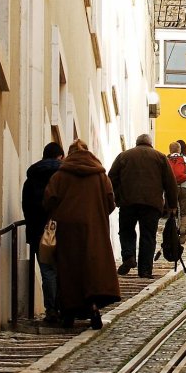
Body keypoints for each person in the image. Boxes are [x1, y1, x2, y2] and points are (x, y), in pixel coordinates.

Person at [43, 139, 119, 330]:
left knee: (69, 270)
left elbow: (49, 200)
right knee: (92, 269)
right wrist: (96, 214)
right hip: (94, 229)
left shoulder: (60, 175)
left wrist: (61, 213)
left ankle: (68, 313)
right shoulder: (100, 175)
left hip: (68, 229)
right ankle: (93, 309)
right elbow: (111, 202)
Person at [108, 133, 178, 278]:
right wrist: (172, 205)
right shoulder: (160, 157)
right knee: (148, 236)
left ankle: (129, 256)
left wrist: (115, 197)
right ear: (150, 144)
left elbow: (111, 178)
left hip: (128, 202)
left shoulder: (124, 156)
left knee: (126, 231)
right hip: (151, 204)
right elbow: (170, 183)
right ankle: (145, 270)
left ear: (137, 143)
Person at [21, 142, 65, 324]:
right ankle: (65, 307)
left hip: (39, 231)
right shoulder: (64, 176)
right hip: (62, 229)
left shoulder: (31, 179)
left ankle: (51, 310)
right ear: (60, 157)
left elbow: (27, 207)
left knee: (47, 270)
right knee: (64, 269)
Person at [167, 140, 186, 244]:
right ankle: (183, 230)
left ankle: (172, 232)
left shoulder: (166, 160)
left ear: (170, 150)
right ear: (180, 150)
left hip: (171, 189)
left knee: (172, 209)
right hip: (185, 188)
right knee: (185, 211)